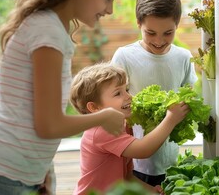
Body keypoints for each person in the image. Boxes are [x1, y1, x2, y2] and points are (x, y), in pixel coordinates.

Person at [0, 0, 126, 194]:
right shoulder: (47, 31)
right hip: (9, 174)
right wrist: (104, 117)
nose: (110, 9)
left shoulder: (49, 26)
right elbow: (49, 124)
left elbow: (27, 112)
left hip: (22, 172)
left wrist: (42, 171)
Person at [111, 0, 198, 186]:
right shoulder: (124, 56)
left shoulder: (183, 57)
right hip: (133, 163)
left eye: (168, 33)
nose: (159, 41)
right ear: (138, 23)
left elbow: (188, 97)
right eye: (151, 33)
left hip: (171, 160)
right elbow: (111, 104)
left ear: (177, 25)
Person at [71, 63, 190, 194]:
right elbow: (143, 150)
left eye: (126, 90)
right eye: (118, 93)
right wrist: (171, 119)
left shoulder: (123, 125)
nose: (128, 96)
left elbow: (127, 176)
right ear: (94, 108)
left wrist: (151, 191)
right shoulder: (101, 130)